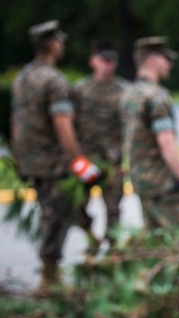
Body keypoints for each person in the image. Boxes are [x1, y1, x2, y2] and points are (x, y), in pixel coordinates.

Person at [10, 20, 102, 289]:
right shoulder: (54, 81)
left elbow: (16, 122)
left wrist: (19, 157)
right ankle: (49, 278)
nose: (62, 45)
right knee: (56, 214)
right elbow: (62, 124)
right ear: (52, 45)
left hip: (31, 161)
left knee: (55, 211)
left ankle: (88, 243)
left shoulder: (22, 78)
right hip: (53, 162)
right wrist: (79, 162)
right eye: (60, 41)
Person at [121, 36, 179, 242]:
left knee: (156, 245)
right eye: (165, 59)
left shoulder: (129, 94)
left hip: (142, 182)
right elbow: (166, 142)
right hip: (164, 184)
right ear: (152, 62)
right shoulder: (157, 97)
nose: (169, 64)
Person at [72, 40, 129, 250]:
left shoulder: (124, 90)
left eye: (111, 61)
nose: (108, 65)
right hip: (86, 160)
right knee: (76, 206)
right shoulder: (79, 90)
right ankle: (90, 237)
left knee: (113, 210)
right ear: (93, 61)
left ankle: (113, 250)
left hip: (112, 160)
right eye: (103, 61)